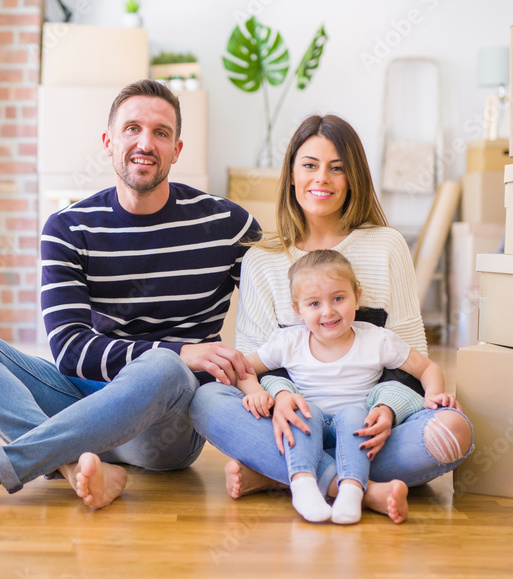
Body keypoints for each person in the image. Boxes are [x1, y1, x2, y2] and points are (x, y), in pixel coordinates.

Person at [0, 79, 260, 510]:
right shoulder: (69, 227)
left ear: (177, 149)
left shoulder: (229, 224)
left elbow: (278, 310)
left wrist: (197, 361)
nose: (145, 143)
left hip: (163, 427)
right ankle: (73, 466)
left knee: (166, 367)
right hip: (83, 397)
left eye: (160, 132)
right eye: (131, 128)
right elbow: (70, 351)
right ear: (108, 141)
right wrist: (182, 349)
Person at [189, 113, 474, 524]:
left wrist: (389, 410)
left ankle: (282, 475)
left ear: (353, 177)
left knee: (453, 430)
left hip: (369, 430)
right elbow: (253, 361)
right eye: (309, 165)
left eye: (337, 168)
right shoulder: (261, 260)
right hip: (291, 422)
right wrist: (283, 396)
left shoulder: (387, 246)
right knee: (205, 401)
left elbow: (414, 356)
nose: (321, 178)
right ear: (291, 175)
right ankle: (355, 487)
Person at [234, 250, 458, 524]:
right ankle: (303, 485)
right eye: (314, 304)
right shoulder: (287, 341)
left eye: (338, 298)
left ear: (357, 296)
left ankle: (351, 490)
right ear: (297, 310)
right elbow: (242, 369)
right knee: (304, 411)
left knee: (353, 414)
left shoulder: (377, 340)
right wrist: (255, 391)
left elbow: (427, 368)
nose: (328, 311)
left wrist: (433, 395)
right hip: (308, 429)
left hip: (356, 433)